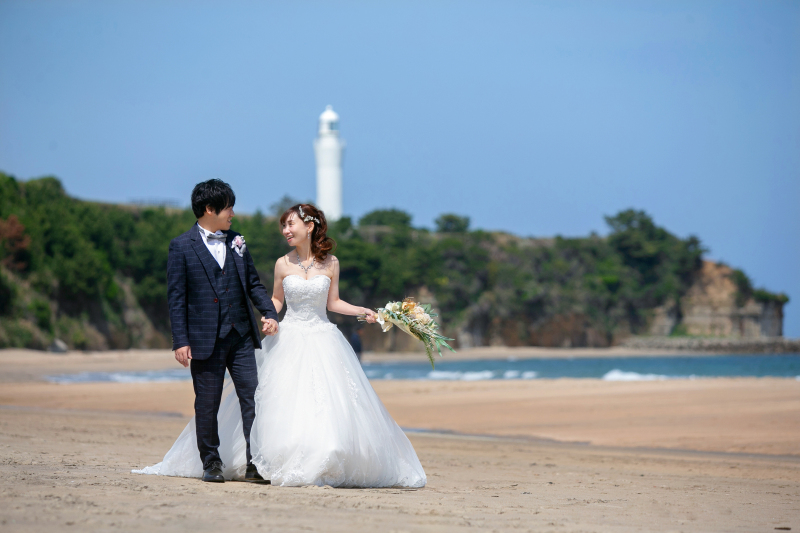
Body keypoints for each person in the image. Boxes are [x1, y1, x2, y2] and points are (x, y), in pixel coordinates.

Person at [134, 202, 426, 489]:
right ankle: (253, 460)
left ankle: (327, 453)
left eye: (290, 224)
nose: (285, 230)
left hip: (324, 338)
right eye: (283, 226)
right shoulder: (282, 264)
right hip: (289, 337)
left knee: (327, 401)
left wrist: (363, 311)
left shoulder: (331, 263)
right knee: (270, 400)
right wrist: (269, 318)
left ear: (309, 226)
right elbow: (274, 300)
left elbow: (333, 302)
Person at [133, 179, 279, 483]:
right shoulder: (181, 246)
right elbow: (177, 298)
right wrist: (180, 340)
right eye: (228, 207)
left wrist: (269, 312)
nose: (233, 214)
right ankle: (211, 462)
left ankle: (256, 463)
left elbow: (253, 283)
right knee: (207, 403)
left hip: (240, 335)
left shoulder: (237, 241)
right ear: (209, 209)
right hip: (202, 338)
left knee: (253, 398)